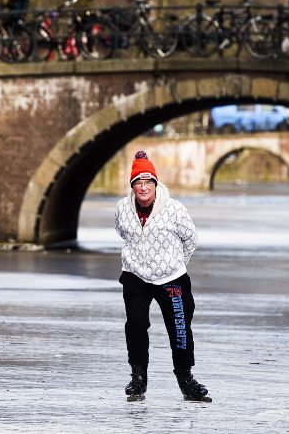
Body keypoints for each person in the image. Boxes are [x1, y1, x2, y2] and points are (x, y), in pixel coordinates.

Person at [114, 151, 211, 402]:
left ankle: (185, 378)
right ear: (133, 186)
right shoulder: (123, 209)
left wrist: (176, 265)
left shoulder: (174, 209)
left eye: (148, 183)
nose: (144, 188)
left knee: (179, 328)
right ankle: (138, 378)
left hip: (171, 278)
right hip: (135, 275)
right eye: (139, 183)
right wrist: (139, 258)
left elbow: (191, 239)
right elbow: (122, 232)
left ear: (156, 184)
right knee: (135, 325)